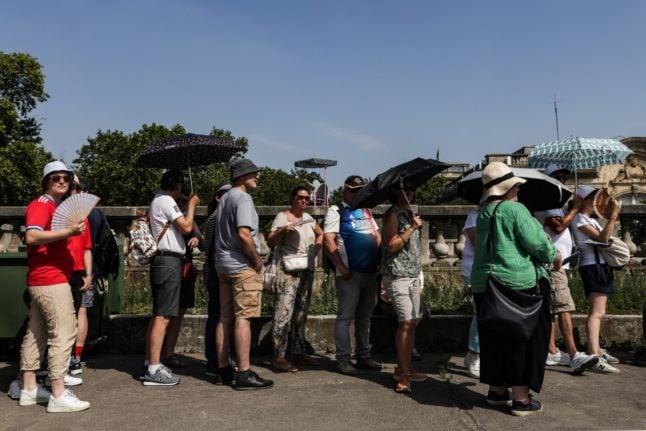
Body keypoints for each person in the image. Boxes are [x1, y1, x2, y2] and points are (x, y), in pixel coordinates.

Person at [471, 162, 562, 417]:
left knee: (493, 339)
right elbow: (539, 246)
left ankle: (497, 390)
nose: (519, 191)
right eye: (517, 187)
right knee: (523, 340)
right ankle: (521, 399)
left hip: (484, 284)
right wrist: (555, 254)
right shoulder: (515, 210)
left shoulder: (483, 212)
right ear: (510, 188)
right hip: (517, 284)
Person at [19, 160, 91, 412]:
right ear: (45, 182)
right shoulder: (41, 205)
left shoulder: (51, 205)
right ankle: (58, 392)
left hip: (44, 277)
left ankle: (29, 388)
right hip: (50, 278)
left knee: (36, 332)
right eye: (55, 178)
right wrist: (68, 232)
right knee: (64, 329)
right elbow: (32, 236)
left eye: (66, 178)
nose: (62, 181)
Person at [214, 158, 273, 390]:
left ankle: (223, 370)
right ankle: (244, 372)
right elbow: (244, 234)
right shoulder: (244, 198)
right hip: (241, 266)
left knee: (225, 317)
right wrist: (257, 262)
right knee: (243, 318)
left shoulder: (225, 198)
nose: (256, 177)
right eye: (252, 174)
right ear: (241, 177)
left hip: (223, 265)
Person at [535, 165, 599, 374]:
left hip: (557, 263)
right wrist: (575, 209)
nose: (563, 180)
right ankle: (573, 354)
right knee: (564, 306)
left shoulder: (555, 203)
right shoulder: (547, 202)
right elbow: (558, 226)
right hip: (554, 264)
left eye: (565, 177)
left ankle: (552, 350)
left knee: (553, 309)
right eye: (558, 177)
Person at [142, 170, 199, 386]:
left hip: (164, 260)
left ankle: (150, 362)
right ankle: (154, 369)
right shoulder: (166, 200)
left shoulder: (157, 200)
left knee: (159, 313)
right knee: (164, 315)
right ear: (176, 188)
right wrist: (192, 205)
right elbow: (185, 226)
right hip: (168, 261)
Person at [323, 175, 383, 375]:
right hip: (349, 273)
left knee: (365, 316)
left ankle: (364, 354)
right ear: (345, 191)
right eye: (354, 190)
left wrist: (379, 259)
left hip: (370, 271)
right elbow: (328, 240)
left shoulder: (366, 211)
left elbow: (376, 234)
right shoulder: (336, 211)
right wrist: (341, 268)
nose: (358, 193)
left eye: (360, 190)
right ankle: (343, 358)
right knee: (345, 316)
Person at [267, 185, 323, 373]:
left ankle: (298, 351)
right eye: (300, 197)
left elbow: (321, 233)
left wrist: (316, 248)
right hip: (288, 270)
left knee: (301, 311)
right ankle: (279, 357)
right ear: (292, 198)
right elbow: (270, 241)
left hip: (306, 269)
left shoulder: (308, 218)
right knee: (284, 312)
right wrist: (283, 231)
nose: (303, 201)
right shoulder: (282, 217)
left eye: (306, 198)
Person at [380, 180, 427, 393]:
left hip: (412, 275)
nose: (409, 193)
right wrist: (411, 229)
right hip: (397, 276)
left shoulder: (409, 213)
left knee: (413, 321)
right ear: (395, 193)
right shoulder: (392, 215)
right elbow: (390, 246)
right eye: (404, 190)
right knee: (406, 322)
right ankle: (403, 374)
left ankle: (404, 368)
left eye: (411, 189)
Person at [571, 185, 622, 374]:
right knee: (597, 312)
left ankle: (598, 349)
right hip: (592, 266)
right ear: (585, 201)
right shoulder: (579, 220)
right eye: (593, 199)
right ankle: (594, 353)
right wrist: (612, 215)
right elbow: (603, 239)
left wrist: (610, 209)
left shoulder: (589, 219)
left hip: (599, 265)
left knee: (600, 311)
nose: (596, 202)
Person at [162, 194, 204, 369]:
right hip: (172, 268)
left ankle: (168, 352)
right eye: (178, 201)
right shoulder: (167, 218)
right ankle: (162, 353)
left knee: (178, 314)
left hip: (185, 271)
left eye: (183, 201)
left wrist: (197, 238)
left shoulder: (188, 219)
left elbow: (202, 243)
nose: (180, 204)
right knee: (165, 314)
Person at [65, 177, 94, 378]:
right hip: (61, 273)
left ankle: (72, 359)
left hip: (78, 273)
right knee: (67, 317)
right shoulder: (58, 212)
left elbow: (87, 248)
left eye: (76, 187)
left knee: (78, 313)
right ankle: (67, 360)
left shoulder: (84, 218)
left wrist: (88, 274)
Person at [203, 183, 232, 377]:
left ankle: (217, 358)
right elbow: (208, 248)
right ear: (218, 197)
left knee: (219, 315)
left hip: (217, 269)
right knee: (216, 315)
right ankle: (214, 358)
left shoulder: (219, 217)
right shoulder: (215, 218)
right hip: (215, 271)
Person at [461, 206, 480, 379]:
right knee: (480, 312)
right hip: (473, 270)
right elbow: (478, 243)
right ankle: (474, 354)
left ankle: (475, 354)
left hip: (492, 270)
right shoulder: (474, 215)